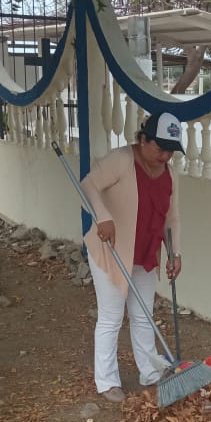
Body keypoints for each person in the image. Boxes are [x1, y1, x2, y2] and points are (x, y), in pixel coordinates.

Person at [81, 111, 184, 403]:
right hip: (112, 251)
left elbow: (172, 217)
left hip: (146, 253)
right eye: (160, 148)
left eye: (171, 151)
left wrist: (175, 252)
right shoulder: (121, 160)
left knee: (143, 317)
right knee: (111, 317)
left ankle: (150, 373)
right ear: (143, 139)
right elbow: (88, 186)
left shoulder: (170, 174)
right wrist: (103, 216)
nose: (165, 156)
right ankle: (107, 382)